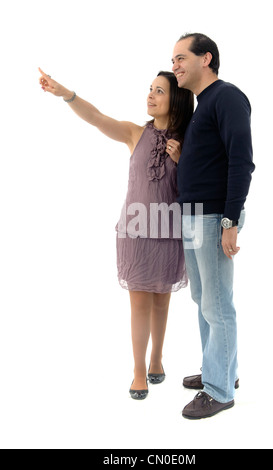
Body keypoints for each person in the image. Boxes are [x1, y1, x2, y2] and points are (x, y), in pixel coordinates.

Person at [38, 68, 194, 400]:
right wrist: (64, 93)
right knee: (139, 303)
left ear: (177, 99)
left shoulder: (190, 140)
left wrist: (183, 161)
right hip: (136, 231)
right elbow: (95, 117)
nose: (150, 95)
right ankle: (139, 371)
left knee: (162, 301)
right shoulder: (134, 133)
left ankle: (157, 359)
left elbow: (196, 188)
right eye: (149, 89)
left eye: (159, 91)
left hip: (168, 229)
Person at [171, 33, 255, 419]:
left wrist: (229, 220)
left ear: (206, 58)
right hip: (193, 215)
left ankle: (219, 390)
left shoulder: (227, 96)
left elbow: (241, 161)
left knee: (218, 304)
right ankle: (219, 369)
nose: (175, 66)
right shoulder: (203, 105)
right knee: (204, 300)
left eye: (180, 58)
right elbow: (212, 158)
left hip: (213, 216)